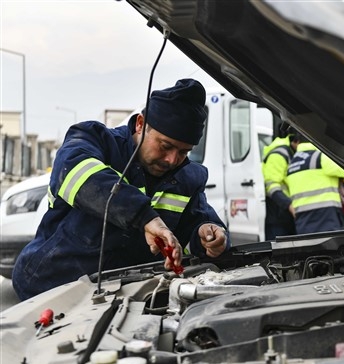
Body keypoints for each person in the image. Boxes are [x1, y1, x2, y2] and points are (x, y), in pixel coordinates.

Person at [12, 79, 229, 300]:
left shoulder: (189, 178)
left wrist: (210, 238)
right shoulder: (95, 140)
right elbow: (75, 174)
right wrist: (144, 217)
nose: (172, 159)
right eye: (165, 146)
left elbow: (195, 234)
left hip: (127, 299)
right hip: (52, 290)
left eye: (184, 152)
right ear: (140, 124)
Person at [286, 135, 344, 234]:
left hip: (302, 218)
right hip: (326, 215)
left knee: (310, 247)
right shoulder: (320, 157)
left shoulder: (292, 164)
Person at [261, 123, 300, 240]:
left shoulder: (292, 152)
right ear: (297, 142)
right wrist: (289, 205)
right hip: (277, 217)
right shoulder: (278, 155)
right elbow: (271, 187)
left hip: (287, 215)